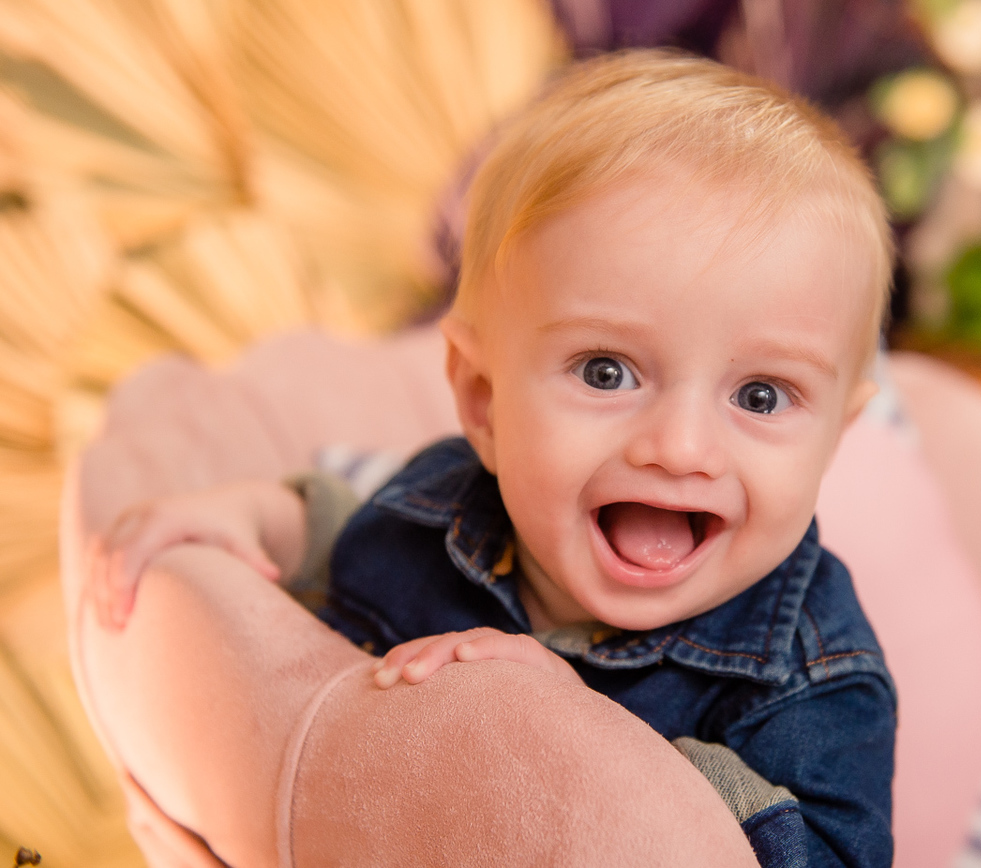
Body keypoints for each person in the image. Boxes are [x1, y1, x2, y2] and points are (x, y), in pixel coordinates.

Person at [89, 50, 897, 867]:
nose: (681, 448)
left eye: (760, 395)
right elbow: (353, 531)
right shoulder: (443, 504)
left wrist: (583, 734)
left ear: (836, 434)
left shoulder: (815, 678)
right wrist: (254, 520)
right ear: (483, 400)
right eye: (606, 372)